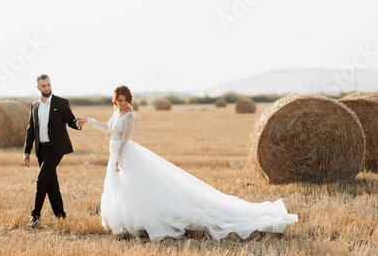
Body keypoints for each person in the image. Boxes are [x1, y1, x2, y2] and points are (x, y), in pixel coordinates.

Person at [76, 85, 297, 242]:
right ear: (115, 102)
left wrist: (118, 159)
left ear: (129, 100)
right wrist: (88, 120)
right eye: (119, 101)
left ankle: (147, 221)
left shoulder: (130, 116)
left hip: (123, 155)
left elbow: (125, 139)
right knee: (124, 189)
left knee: (137, 188)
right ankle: (130, 222)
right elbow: (107, 128)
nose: (122, 104)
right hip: (115, 153)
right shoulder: (117, 113)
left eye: (125, 101)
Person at [23, 74, 85, 227]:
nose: (47, 88)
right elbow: (31, 130)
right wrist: (26, 152)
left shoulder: (61, 102)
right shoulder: (34, 106)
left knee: (42, 179)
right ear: (38, 88)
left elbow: (71, 121)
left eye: (49, 85)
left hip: (56, 148)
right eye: (43, 86)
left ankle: (35, 215)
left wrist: (78, 124)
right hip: (41, 149)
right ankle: (61, 215)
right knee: (51, 183)